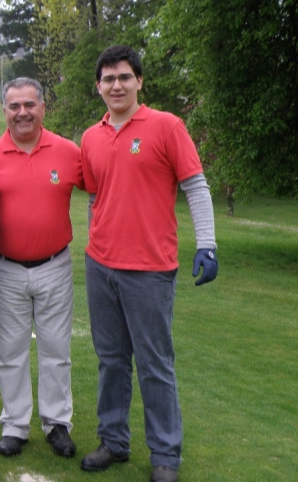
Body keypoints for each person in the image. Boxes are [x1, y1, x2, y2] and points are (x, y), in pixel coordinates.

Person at [79, 45, 218, 482]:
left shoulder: (166, 126)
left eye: (124, 76)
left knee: (155, 364)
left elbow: (195, 186)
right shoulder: (91, 136)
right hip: (100, 266)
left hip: (150, 269)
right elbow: (97, 197)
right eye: (108, 78)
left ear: (139, 81)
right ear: (98, 86)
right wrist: (96, 237)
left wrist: (208, 244)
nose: (116, 85)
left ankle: (165, 456)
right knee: (111, 361)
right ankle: (114, 441)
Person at [0, 77, 84, 459]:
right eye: (14, 106)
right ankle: (15, 425)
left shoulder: (69, 152)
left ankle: (57, 424)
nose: (22, 112)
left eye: (29, 105)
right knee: (10, 351)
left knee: (56, 349)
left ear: (42, 108)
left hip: (55, 265)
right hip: (5, 268)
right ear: (4, 110)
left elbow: (105, 192)